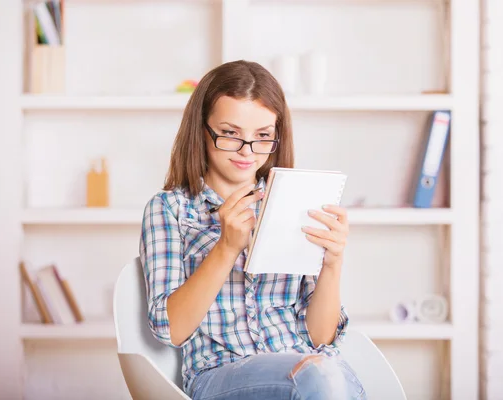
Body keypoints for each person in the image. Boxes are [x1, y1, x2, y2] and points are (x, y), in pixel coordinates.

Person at [139, 60, 366, 400]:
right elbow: (170, 329)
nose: (247, 151)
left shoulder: (295, 203)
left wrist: (333, 263)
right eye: (230, 134)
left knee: (325, 372)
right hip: (221, 374)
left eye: (262, 137)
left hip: (316, 371)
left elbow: (319, 337)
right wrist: (226, 248)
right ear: (201, 129)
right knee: (317, 377)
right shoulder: (171, 209)